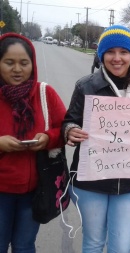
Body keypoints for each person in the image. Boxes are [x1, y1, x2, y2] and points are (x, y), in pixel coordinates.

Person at [61, 25, 130, 253]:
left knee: (121, 246)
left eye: (124, 52)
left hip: (128, 183)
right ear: (101, 55)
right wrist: (70, 130)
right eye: (111, 52)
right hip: (90, 180)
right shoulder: (86, 86)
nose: (117, 58)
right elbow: (69, 120)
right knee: (93, 242)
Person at [0, 33, 66, 252]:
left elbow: (65, 128)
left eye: (24, 63)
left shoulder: (44, 93)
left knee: (24, 246)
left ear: (32, 64)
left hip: (35, 190)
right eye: (9, 63)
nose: (17, 69)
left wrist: (48, 138)